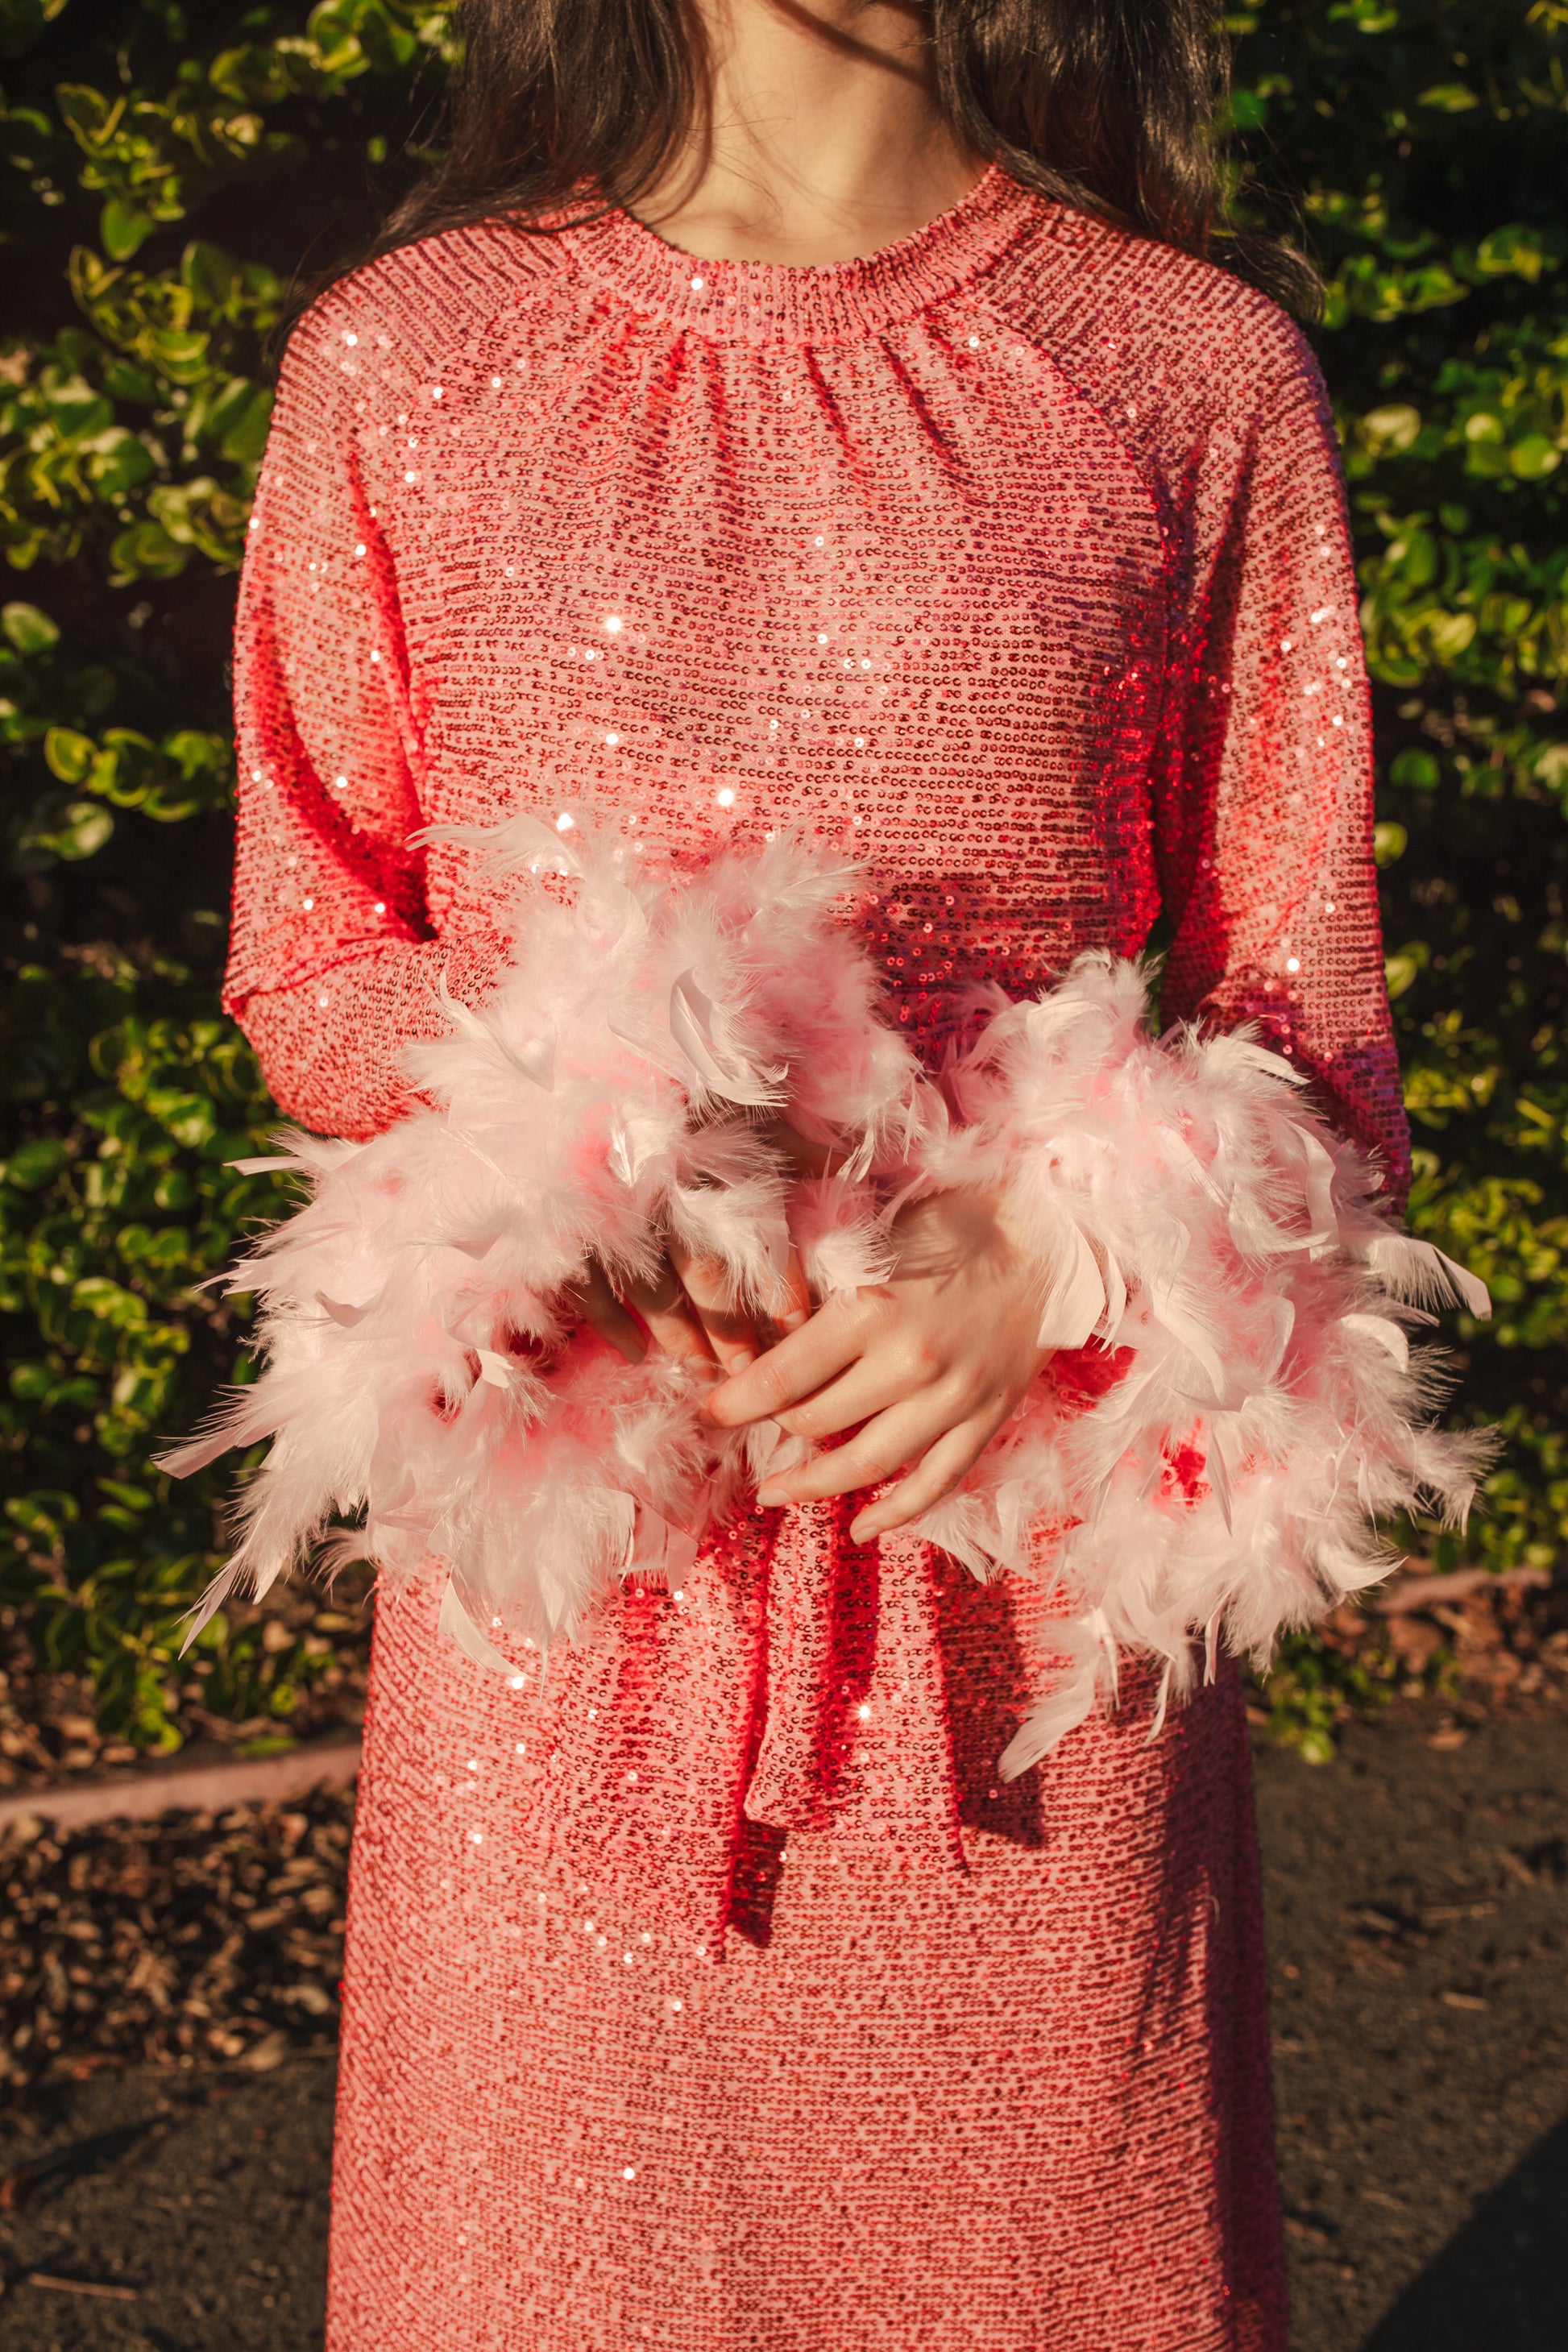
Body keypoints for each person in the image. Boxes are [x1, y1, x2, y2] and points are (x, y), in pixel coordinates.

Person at [224, 2, 1409, 2342]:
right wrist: (582, 1163)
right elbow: (311, 948)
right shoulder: (406, 363)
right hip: (581, 1595)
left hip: (1026, 1586)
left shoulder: (1188, 372)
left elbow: (1309, 1010)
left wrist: (1062, 1241)